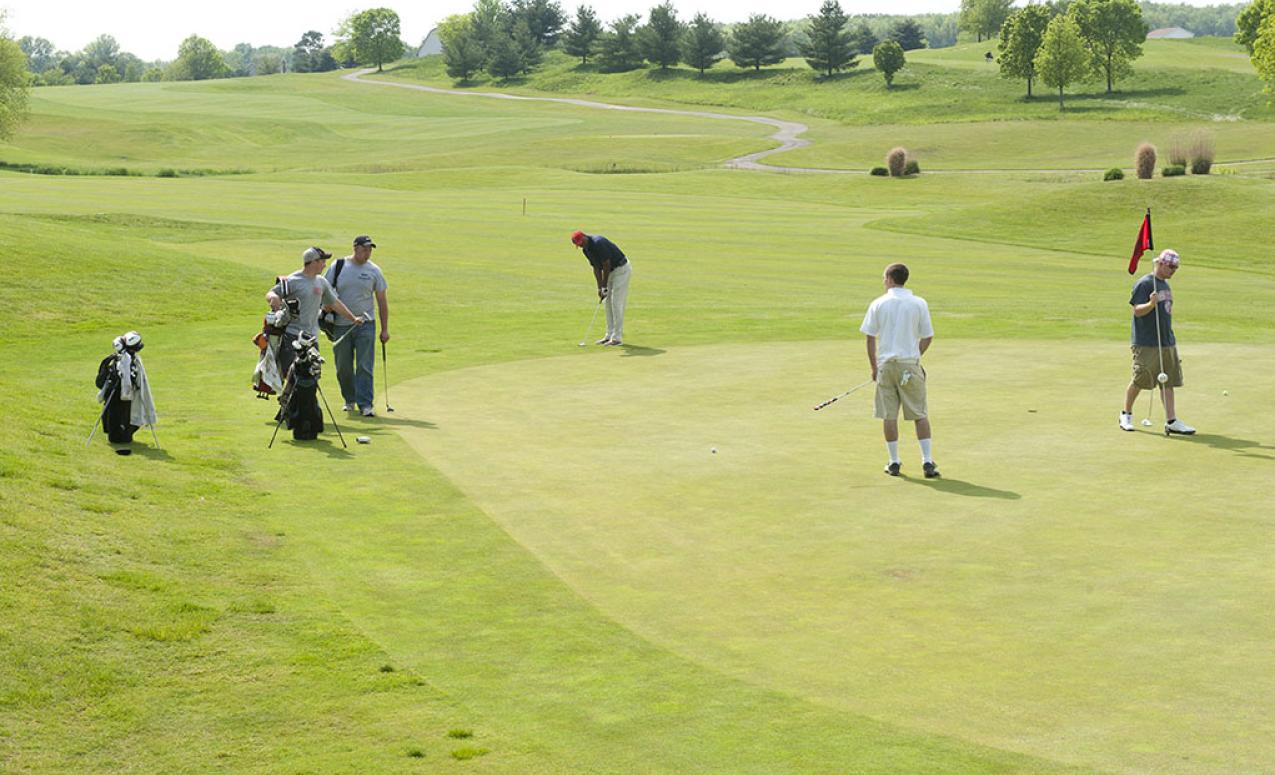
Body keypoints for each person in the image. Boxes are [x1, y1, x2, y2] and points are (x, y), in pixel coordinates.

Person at [860, 263, 939, 478]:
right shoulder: (919, 303)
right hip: (909, 364)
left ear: (889, 278)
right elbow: (927, 336)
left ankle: (894, 462)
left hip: (886, 366)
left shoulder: (878, 303)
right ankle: (927, 462)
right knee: (919, 414)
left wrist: (874, 368)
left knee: (889, 415)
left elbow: (870, 337)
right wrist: (914, 358)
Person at [266, 246, 363, 390]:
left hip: (311, 339)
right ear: (313, 262)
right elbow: (271, 294)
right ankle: (289, 408)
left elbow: (334, 302)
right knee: (294, 378)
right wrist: (274, 298)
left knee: (312, 378)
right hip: (292, 338)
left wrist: (352, 318)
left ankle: (301, 409)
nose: (324, 265)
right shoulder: (293, 280)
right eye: (323, 261)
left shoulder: (321, 282)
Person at [1120, 249, 1195, 435]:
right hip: (1147, 341)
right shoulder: (1145, 284)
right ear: (1160, 263)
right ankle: (1126, 414)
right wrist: (1151, 304)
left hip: (1166, 341)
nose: (1173, 270)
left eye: (1176, 268)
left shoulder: (1165, 285)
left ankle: (1171, 421)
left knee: (1167, 381)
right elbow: (1137, 311)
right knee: (1140, 380)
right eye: (1170, 267)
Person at [325, 235, 390, 417]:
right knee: (343, 366)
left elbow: (382, 301)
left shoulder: (374, 271)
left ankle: (365, 404)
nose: (368, 253)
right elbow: (325, 290)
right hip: (341, 324)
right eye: (364, 249)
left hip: (366, 324)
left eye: (370, 250)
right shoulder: (338, 267)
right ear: (355, 248)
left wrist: (385, 329)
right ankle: (349, 399)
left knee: (364, 365)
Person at [571, 230, 632, 346]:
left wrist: (604, 286)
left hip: (621, 270)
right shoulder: (586, 250)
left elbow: (606, 264)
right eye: (579, 245)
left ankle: (617, 337)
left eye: (581, 242)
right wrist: (600, 288)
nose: (581, 245)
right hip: (610, 272)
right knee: (607, 302)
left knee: (616, 302)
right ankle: (609, 335)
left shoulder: (599, 242)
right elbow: (596, 268)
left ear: (584, 236)